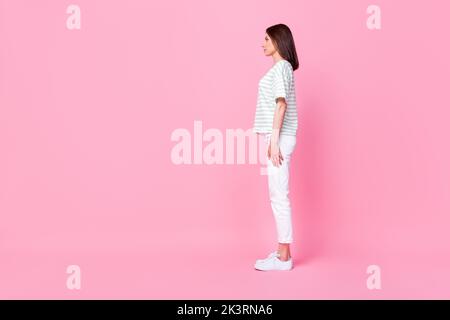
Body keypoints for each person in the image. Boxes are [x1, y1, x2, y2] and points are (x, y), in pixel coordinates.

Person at [252, 24, 300, 271]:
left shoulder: (281, 68)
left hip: (279, 137)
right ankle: (283, 252)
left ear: (278, 42)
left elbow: (280, 104)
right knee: (278, 194)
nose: (262, 43)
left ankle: (283, 259)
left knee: (278, 196)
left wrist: (273, 140)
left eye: (266, 39)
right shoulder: (281, 69)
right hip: (278, 137)